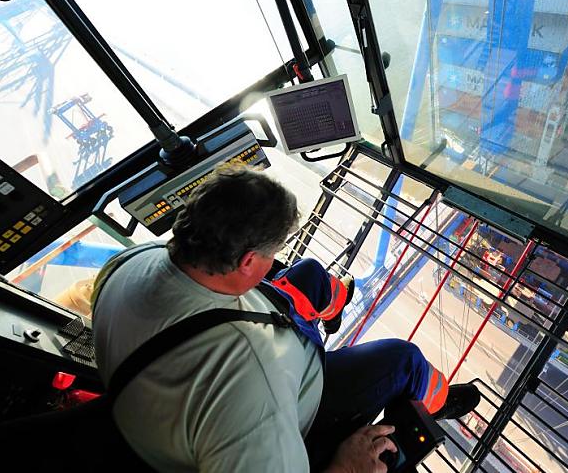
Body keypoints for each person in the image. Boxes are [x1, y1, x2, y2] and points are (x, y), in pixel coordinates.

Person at [91, 165, 480, 472]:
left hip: (236, 336)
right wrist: (348, 467)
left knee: (308, 274)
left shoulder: (131, 261)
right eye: (271, 254)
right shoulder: (246, 383)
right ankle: (439, 400)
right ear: (246, 262)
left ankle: (332, 306)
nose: (274, 260)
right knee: (403, 359)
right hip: (292, 405)